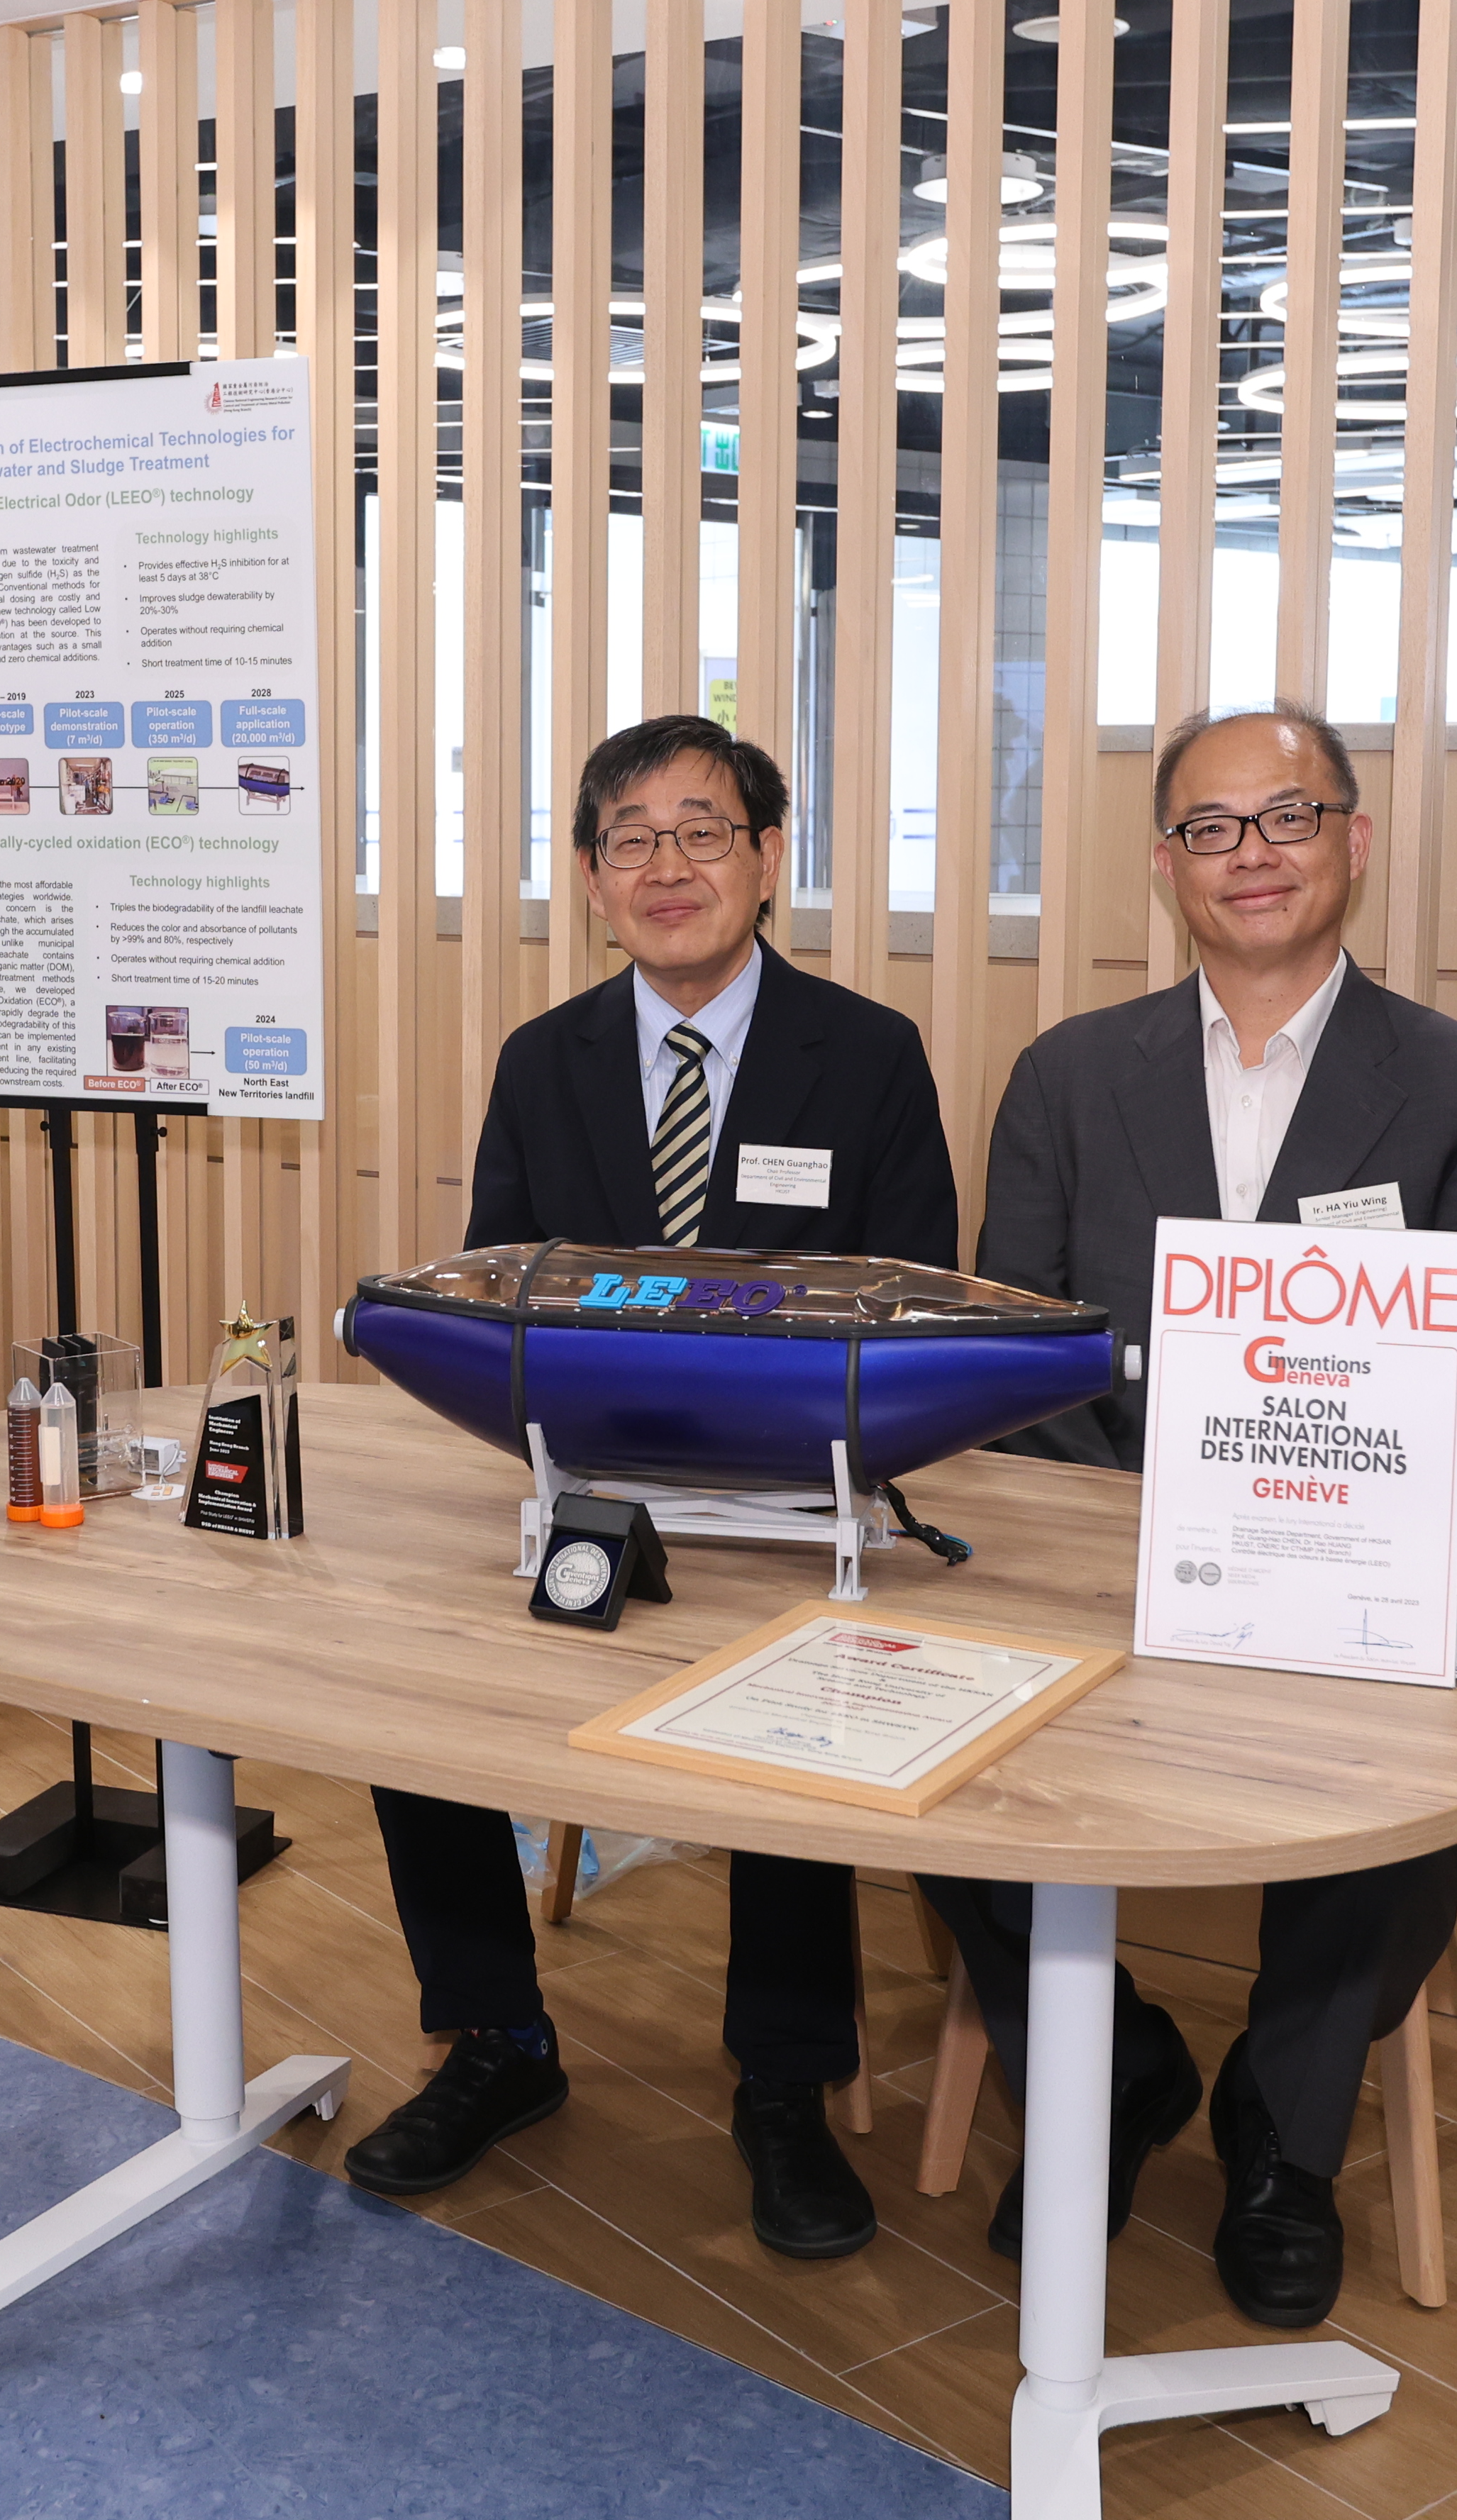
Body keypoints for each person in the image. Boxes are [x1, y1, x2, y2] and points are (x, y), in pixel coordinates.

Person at [916, 704, 1457, 2327]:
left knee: (1434, 1764)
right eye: (1214, 826)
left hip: (1352, 1554)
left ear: (1354, 838)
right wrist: (1133, 1541)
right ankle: (1114, 2071)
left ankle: (1284, 2124)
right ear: (1168, 865)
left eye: (1288, 815)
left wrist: (1334, 1543)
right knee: (923, 1717)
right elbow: (1026, 1342)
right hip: (1111, 1545)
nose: (1253, 853)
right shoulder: (1070, 1074)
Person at [338, 714, 954, 2260]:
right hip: (588, 1487)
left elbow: (918, 1297)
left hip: (805, 1500)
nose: (668, 865)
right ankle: (494, 2038)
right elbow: (500, 1289)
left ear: (765, 856)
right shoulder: (543, 1062)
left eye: (703, 829)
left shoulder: (868, 1054)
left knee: (808, 1704)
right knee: (410, 1692)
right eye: (631, 836)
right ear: (594, 878)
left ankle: (787, 2084)